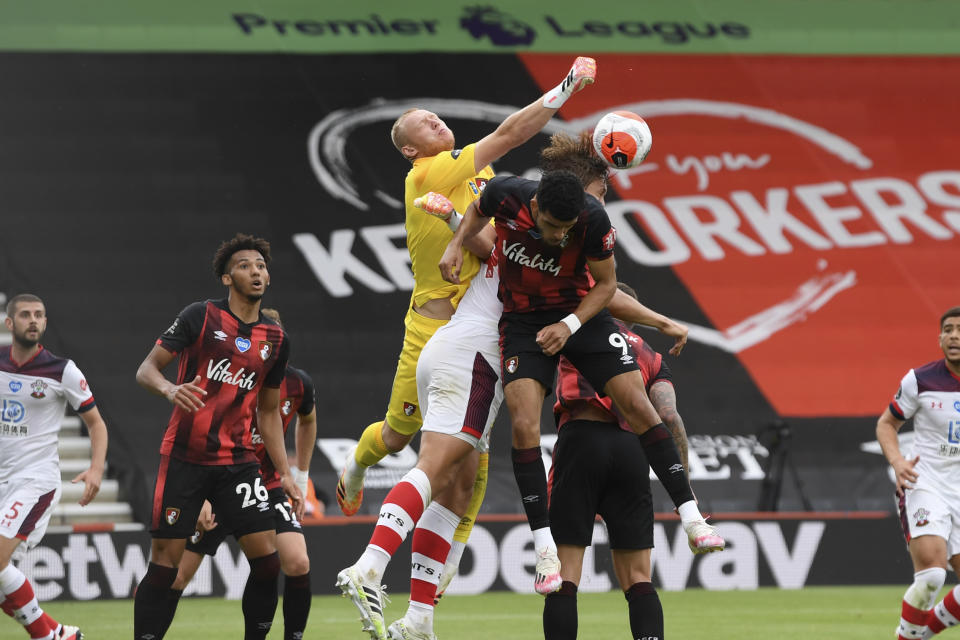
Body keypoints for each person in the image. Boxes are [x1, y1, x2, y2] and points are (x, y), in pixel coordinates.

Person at [337, 139, 691, 640]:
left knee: (460, 488)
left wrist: (454, 223)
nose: (597, 211)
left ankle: (419, 618)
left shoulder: (543, 233)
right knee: (435, 464)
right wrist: (456, 227)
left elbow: (592, 290)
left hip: (463, 351)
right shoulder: (535, 228)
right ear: (557, 198)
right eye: (597, 197)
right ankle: (369, 566)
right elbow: (588, 288)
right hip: (475, 355)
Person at [336, 57, 599, 542]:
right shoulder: (427, 174)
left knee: (474, 451)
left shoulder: (482, 180)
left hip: (483, 324)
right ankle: (355, 465)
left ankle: (440, 573)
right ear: (412, 148)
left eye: (434, 114)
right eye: (423, 124)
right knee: (398, 436)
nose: (435, 119)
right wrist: (565, 88)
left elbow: (498, 248)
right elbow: (509, 134)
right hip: (433, 328)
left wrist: (462, 226)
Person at [439, 168, 723, 562]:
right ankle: (544, 549)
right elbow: (476, 209)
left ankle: (693, 520)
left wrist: (568, 325)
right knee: (523, 425)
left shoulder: (592, 219)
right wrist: (455, 244)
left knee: (639, 405)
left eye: (566, 228)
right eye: (553, 226)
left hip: (579, 314)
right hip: (522, 321)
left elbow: (606, 286)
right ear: (535, 206)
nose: (559, 236)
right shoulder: (505, 192)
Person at [132, 233, 303, 640]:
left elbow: (268, 411)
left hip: (238, 463)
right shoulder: (200, 316)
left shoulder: (276, 340)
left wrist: (286, 472)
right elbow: (146, 370)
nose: (256, 272)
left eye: (261, 266)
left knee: (268, 561)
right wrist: (171, 389)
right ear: (227, 278)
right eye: (245, 265)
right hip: (186, 459)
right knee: (165, 566)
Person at [543, 281, 690, 640]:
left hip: (581, 441)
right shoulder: (651, 356)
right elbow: (669, 418)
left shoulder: (571, 330)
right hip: (631, 450)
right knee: (639, 579)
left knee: (564, 576)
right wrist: (682, 490)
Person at [167, 308, 317, 640]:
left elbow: (308, 419)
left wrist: (301, 476)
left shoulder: (298, 384)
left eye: (273, 344)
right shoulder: (227, 378)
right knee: (174, 578)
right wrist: (201, 496)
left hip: (267, 484)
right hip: (220, 482)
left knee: (297, 563)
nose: (266, 352)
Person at [0, 294, 107, 640]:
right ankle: (56, 634)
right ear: (9, 323)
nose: (33, 320)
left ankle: (44, 635)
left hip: (35, 481)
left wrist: (95, 469)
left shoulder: (63, 370)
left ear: (45, 323)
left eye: (39, 315)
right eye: (25, 315)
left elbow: (96, 424)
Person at [877, 306, 960, 640]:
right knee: (931, 577)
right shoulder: (920, 380)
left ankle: (917, 635)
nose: (955, 335)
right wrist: (898, 462)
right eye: (949, 329)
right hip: (926, 482)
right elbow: (886, 424)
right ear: (939, 337)